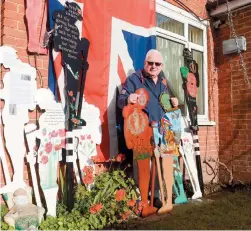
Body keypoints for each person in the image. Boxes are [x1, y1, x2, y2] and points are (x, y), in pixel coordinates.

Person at [118, 49, 179, 210]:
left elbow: (167, 103)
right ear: (144, 63)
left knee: (160, 162)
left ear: (161, 65)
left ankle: (156, 196)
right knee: (142, 164)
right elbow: (121, 100)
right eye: (150, 63)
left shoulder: (163, 81)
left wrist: (173, 102)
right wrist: (127, 99)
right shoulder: (134, 79)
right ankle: (141, 199)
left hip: (162, 130)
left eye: (157, 64)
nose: (153, 66)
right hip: (142, 132)